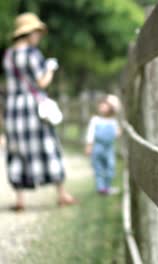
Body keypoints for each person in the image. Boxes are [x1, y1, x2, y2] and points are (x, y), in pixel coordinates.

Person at [2, 13, 76, 211]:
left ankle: (20, 200)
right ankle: (61, 194)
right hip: (33, 108)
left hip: (14, 109)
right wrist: (50, 67)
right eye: (36, 32)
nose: (39, 36)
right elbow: (42, 82)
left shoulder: (8, 55)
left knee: (17, 151)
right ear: (28, 33)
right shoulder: (32, 54)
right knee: (47, 146)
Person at [85, 95, 120, 195]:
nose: (102, 107)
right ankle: (101, 189)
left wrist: (117, 133)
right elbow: (90, 134)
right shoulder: (95, 120)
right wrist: (89, 146)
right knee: (98, 168)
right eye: (101, 105)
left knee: (110, 167)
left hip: (109, 148)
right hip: (97, 148)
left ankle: (107, 187)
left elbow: (116, 134)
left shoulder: (113, 122)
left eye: (105, 105)